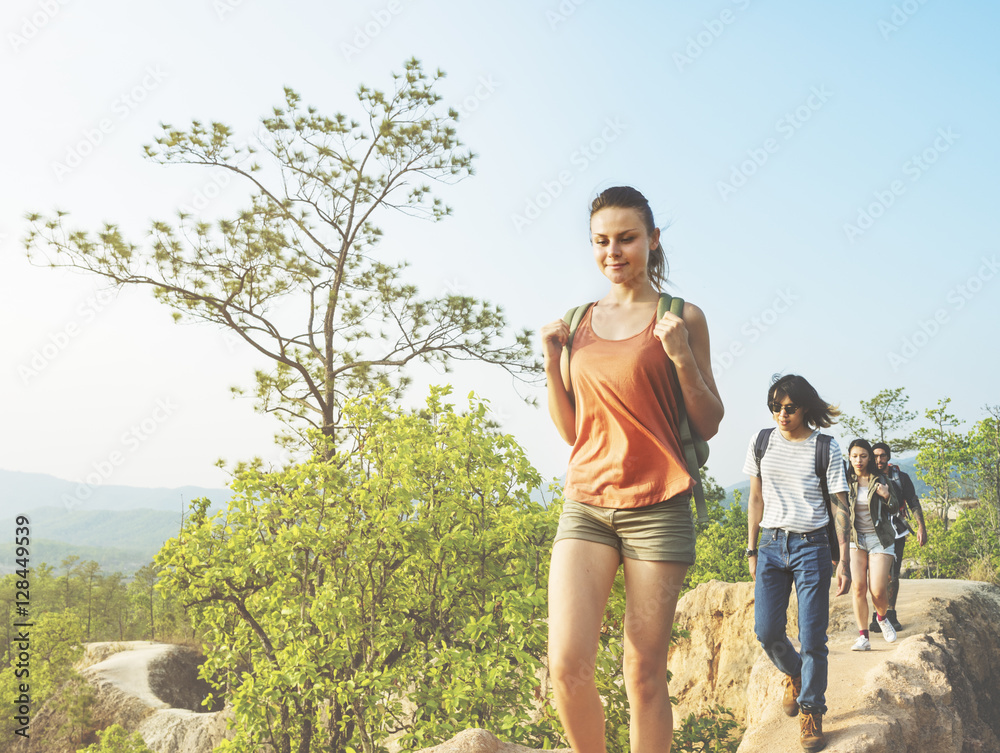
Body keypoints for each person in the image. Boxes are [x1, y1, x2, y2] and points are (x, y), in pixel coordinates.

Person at [540, 185, 723, 753]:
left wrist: (682, 358)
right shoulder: (577, 323)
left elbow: (710, 419)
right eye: (601, 241)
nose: (613, 251)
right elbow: (573, 431)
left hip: (659, 506)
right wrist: (552, 363)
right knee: (566, 664)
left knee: (642, 670)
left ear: (653, 240)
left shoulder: (681, 317)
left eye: (626, 238)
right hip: (587, 505)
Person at [744, 375, 850, 753]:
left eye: (789, 407)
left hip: (812, 547)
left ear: (804, 406)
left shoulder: (826, 447)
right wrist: (752, 549)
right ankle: (793, 671)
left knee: (813, 636)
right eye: (775, 407)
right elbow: (755, 499)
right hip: (771, 545)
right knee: (767, 630)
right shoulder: (762, 441)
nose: (781, 414)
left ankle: (811, 712)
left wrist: (844, 560)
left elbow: (840, 504)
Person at [845, 438, 901, 651]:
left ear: (869, 457)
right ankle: (863, 637)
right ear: (849, 458)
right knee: (858, 587)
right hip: (856, 540)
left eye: (863, 456)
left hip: (880, 539)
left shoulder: (881, 479)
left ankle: (882, 617)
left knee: (877, 590)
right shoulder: (845, 481)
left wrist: (886, 496)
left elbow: (895, 507)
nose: (858, 460)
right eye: (854, 456)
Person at [871, 442, 927, 633]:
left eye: (883, 456)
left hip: (896, 530)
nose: (879, 459)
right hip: (872, 531)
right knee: (876, 575)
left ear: (888, 457)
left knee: (893, 574)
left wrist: (921, 527)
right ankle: (877, 614)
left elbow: (913, 501)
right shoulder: (866, 476)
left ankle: (891, 613)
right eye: (876, 456)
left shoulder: (900, 477)